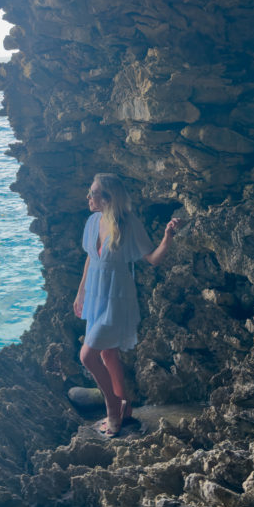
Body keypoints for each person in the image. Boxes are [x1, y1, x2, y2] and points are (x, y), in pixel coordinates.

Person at [73, 173, 180, 437]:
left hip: (116, 297)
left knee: (87, 356)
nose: (88, 197)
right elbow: (91, 258)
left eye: (93, 192)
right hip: (95, 295)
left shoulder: (128, 223)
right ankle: (125, 406)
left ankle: (112, 408)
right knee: (108, 354)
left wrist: (167, 237)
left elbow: (153, 258)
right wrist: (81, 292)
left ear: (108, 198)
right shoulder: (92, 221)